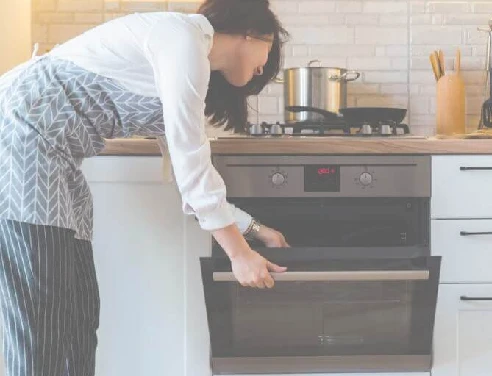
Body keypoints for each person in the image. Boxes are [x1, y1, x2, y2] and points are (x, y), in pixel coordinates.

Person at [0, 0, 290, 374]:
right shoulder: (183, 39)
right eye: (269, 51)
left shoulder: (186, 61)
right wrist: (238, 255)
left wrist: (254, 230)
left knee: (77, 318)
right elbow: (192, 164)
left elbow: (188, 180)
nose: (265, 67)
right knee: (41, 322)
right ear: (253, 32)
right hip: (20, 141)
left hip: (55, 158)